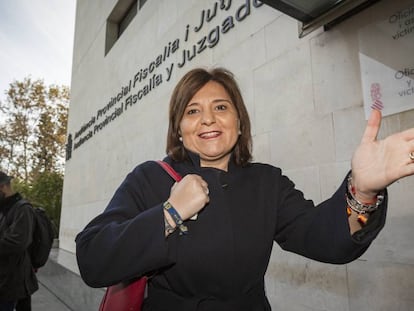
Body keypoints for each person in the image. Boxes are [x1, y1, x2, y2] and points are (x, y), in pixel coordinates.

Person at [75, 67, 414, 310]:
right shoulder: (149, 178)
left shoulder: (267, 182)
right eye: (193, 111)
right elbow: (92, 259)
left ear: (238, 122)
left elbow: (326, 240)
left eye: (220, 107)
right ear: (178, 129)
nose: (208, 119)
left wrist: (363, 190)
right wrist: (170, 213)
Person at [0, 172, 38, 311]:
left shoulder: (23, 209)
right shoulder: (4, 209)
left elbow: (17, 242)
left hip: (14, 282)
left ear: (3, 187)